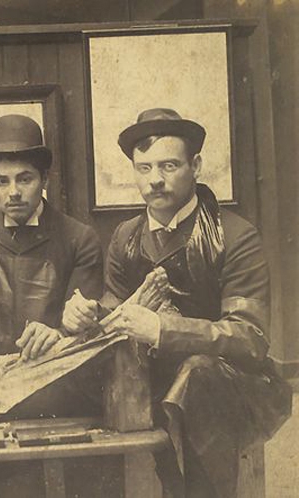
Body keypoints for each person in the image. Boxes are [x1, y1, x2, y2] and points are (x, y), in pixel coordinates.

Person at [63, 108, 292, 497]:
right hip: (153, 376)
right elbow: (116, 307)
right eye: (144, 168)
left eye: (169, 165)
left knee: (197, 374)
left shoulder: (234, 236)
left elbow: (249, 339)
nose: (155, 180)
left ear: (196, 165)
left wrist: (161, 329)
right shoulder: (125, 237)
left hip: (231, 382)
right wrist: (88, 316)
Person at [0, 114, 103, 375]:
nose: (13, 192)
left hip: (59, 373)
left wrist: (57, 333)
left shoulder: (80, 239)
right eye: (2, 181)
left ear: (45, 179)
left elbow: (83, 321)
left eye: (25, 179)